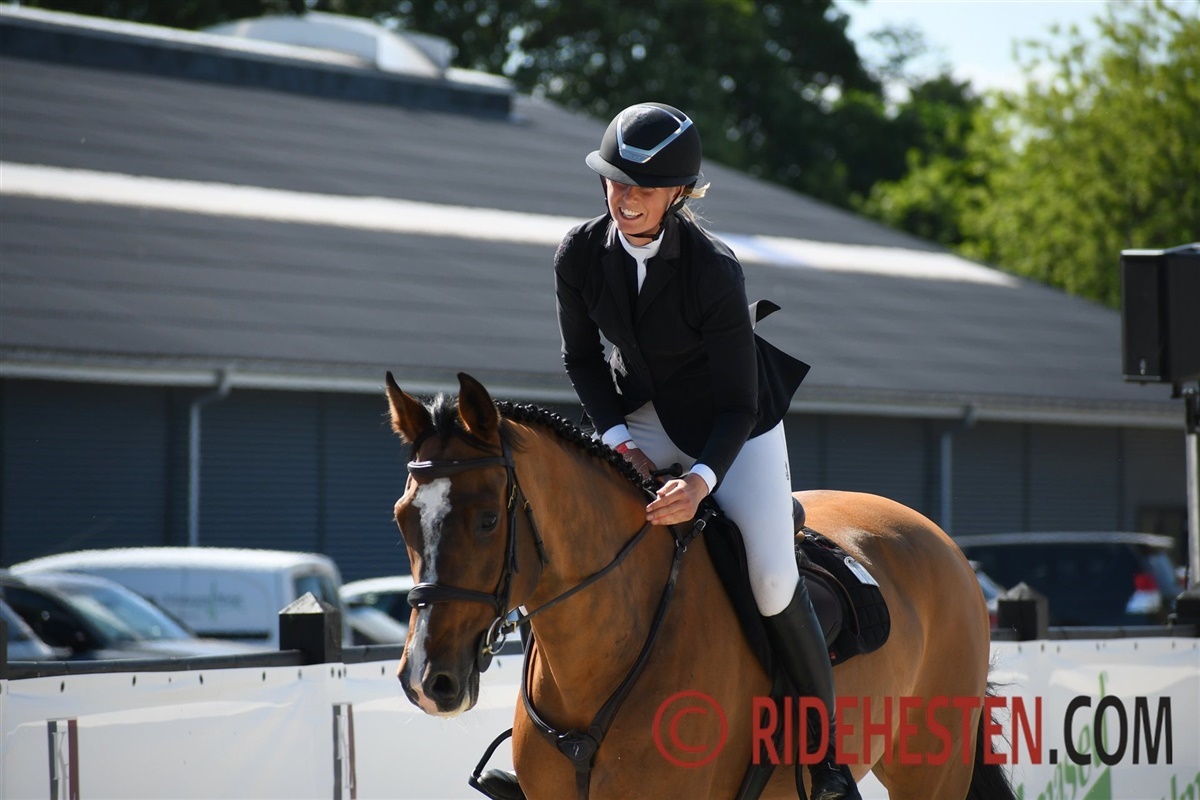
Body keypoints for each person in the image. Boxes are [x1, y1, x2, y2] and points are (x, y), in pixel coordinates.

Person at [553, 102, 860, 800]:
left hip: (733, 427)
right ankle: (546, 738)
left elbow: (739, 405)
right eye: (615, 181)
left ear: (679, 193)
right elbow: (581, 360)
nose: (625, 198)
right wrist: (619, 441)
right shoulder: (579, 251)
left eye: (643, 187)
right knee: (578, 537)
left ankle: (825, 757)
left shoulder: (713, 269)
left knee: (772, 579)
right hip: (640, 415)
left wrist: (697, 482)